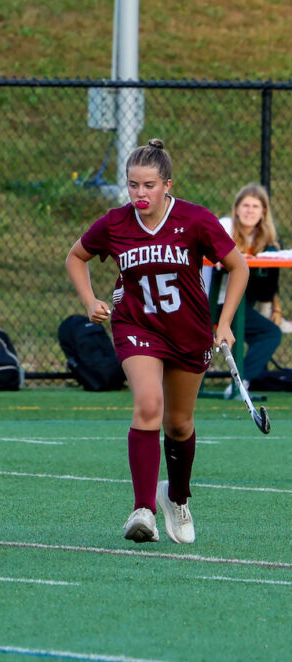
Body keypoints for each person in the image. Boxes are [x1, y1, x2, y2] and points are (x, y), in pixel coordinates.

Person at [65, 138, 248, 545]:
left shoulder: (196, 220)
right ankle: (143, 509)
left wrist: (225, 322)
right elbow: (75, 257)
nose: (139, 194)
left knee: (179, 423)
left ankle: (177, 498)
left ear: (167, 184)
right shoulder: (114, 223)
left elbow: (238, 267)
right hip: (137, 326)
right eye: (132, 185)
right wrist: (90, 299)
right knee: (149, 405)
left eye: (148, 185)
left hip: (189, 330)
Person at [214, 184, 285, 392]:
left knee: (268, 332)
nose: (250, 210)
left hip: (242, 303)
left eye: (256, 206)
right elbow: (218, 259)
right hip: (214, 302)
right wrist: (238, 258)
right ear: (236, 208)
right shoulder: (225, 226)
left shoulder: (264, 239)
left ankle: (244, 380)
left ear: (263, 212)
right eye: (246, 205)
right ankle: (241, 381)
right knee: (270, 333)